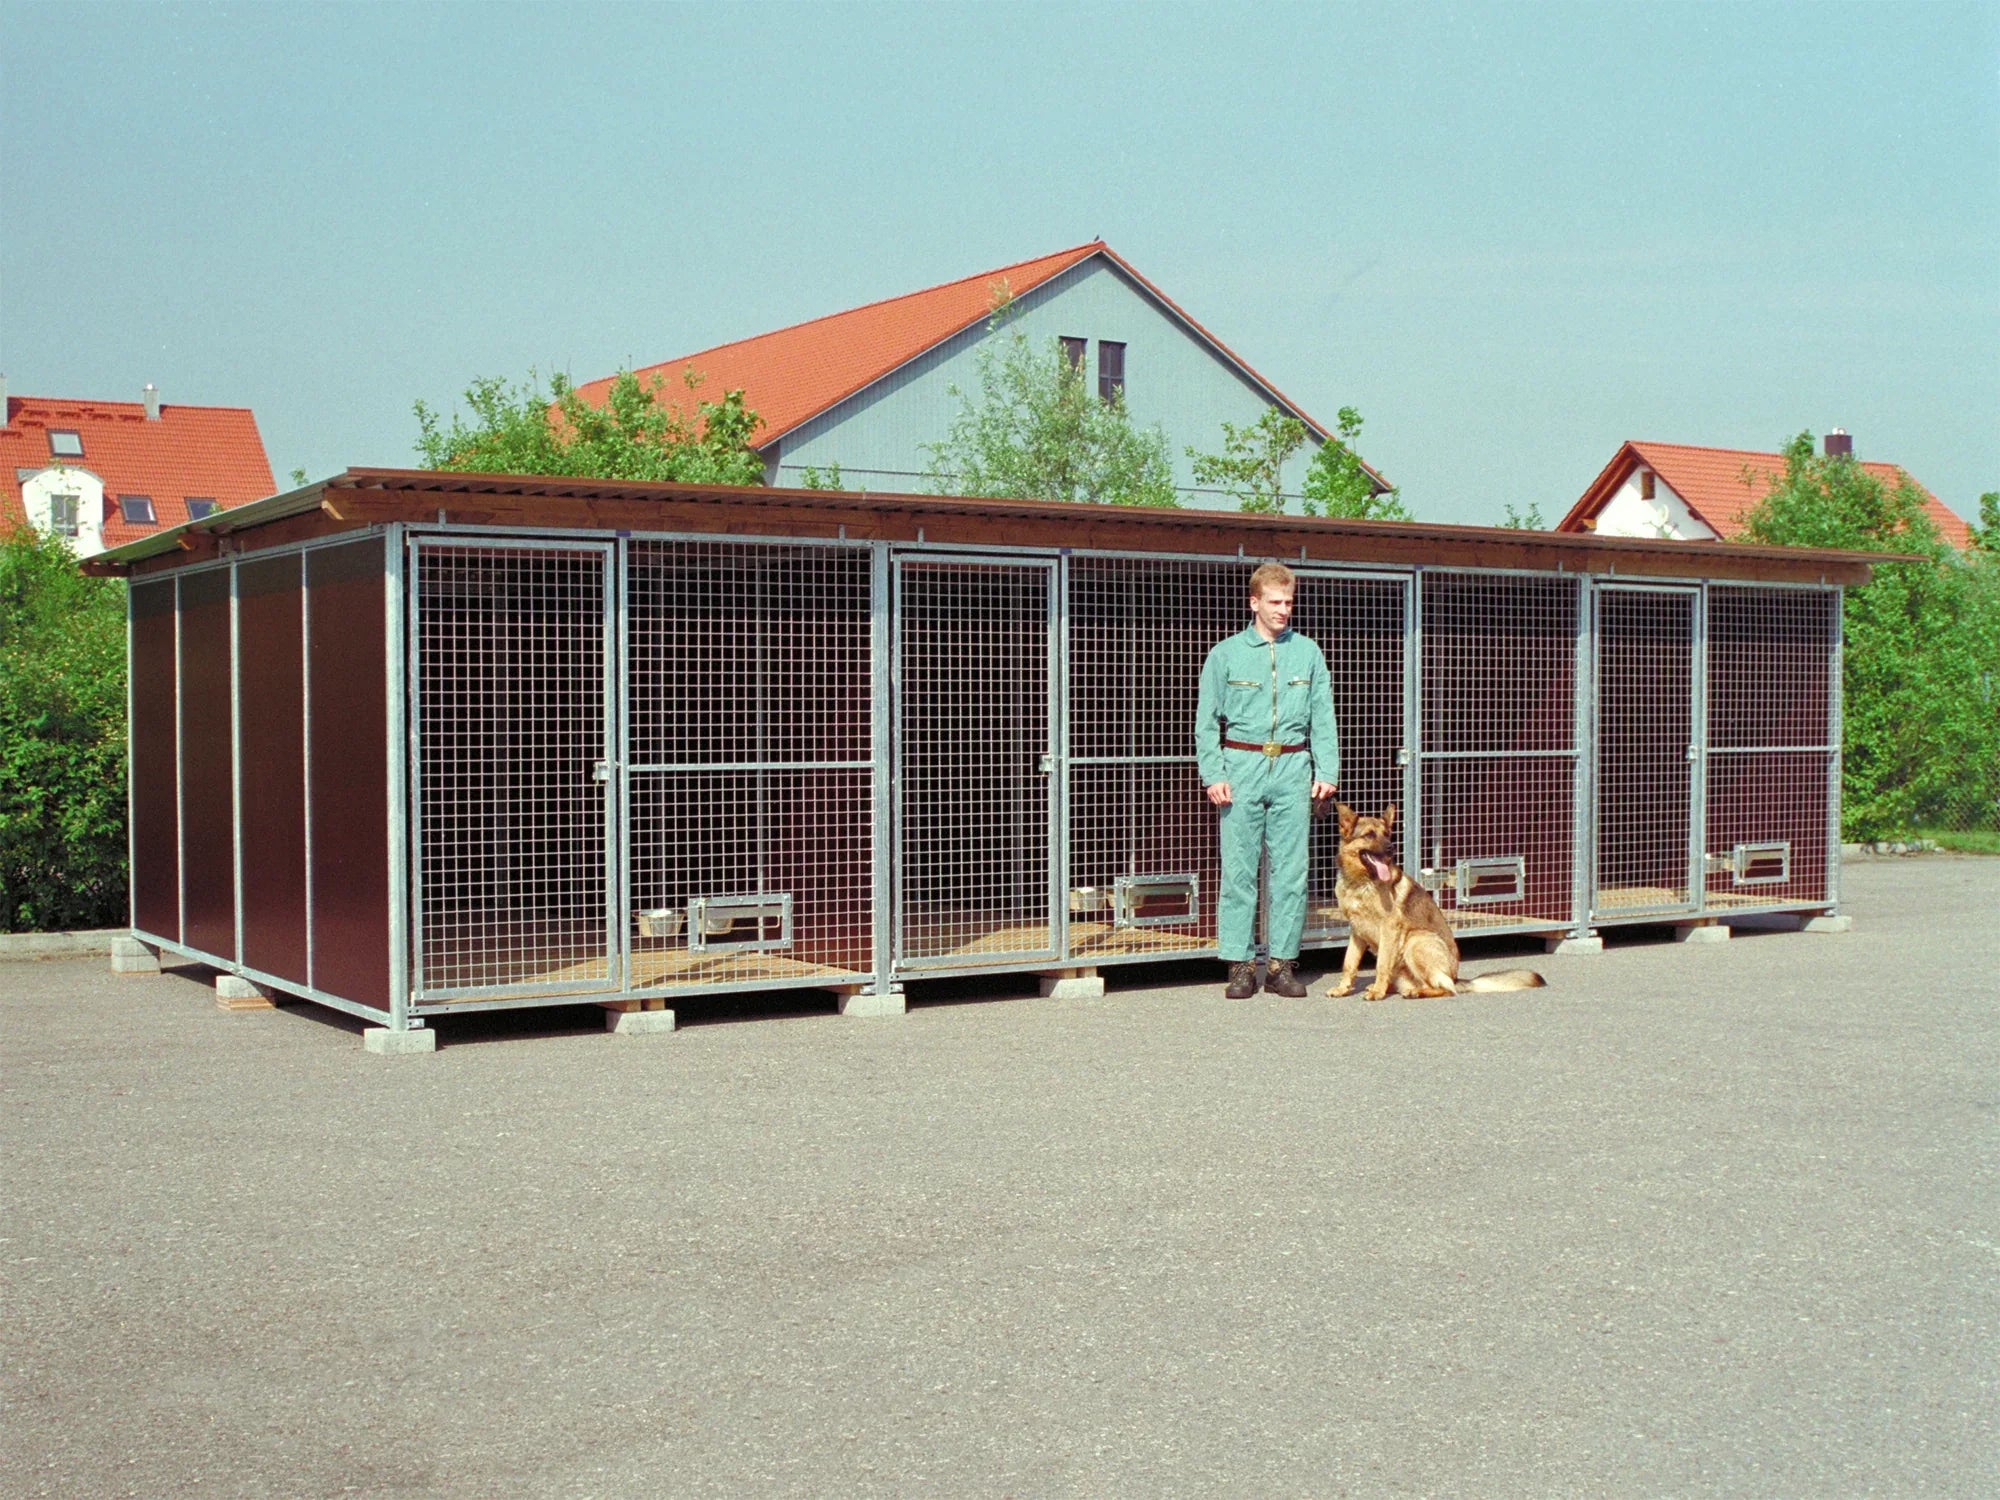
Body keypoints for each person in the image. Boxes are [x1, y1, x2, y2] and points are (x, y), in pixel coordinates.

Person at [1194, 562, 1339, 998]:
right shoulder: (1226, 654)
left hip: (1293, 768)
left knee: (1292, 871)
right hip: (1241, 766)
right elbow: (1206, 722)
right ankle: (1239, 965)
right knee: (1239, 871)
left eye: (1289, 602)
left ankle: (1281, 965)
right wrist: (1213, 773)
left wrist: (1327, 770)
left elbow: (1323, 717)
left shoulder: (1308, 653)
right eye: (1274, 602)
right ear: (1253, 602)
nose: (1283, 610)